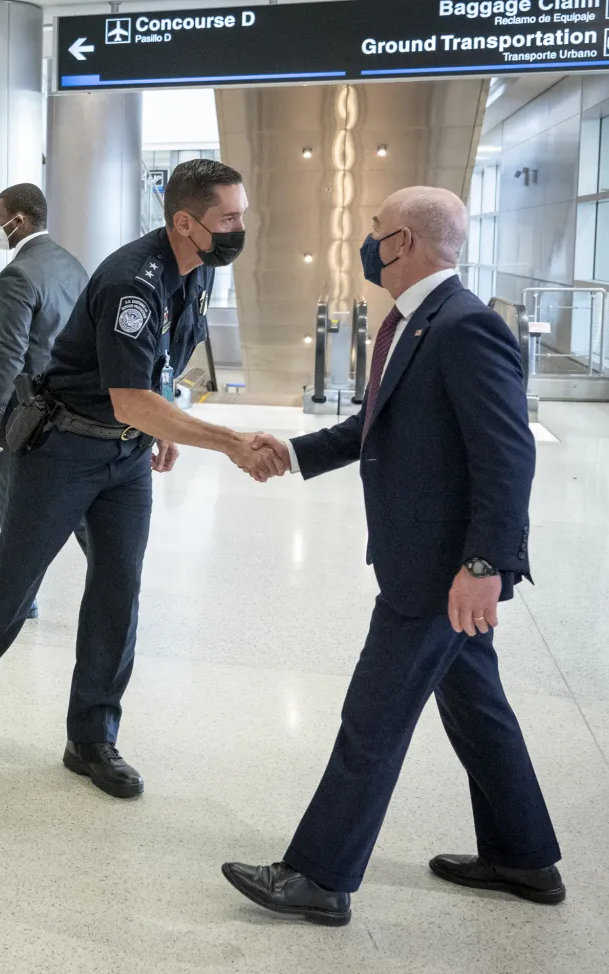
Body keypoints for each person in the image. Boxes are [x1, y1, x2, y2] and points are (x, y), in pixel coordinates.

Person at [222, 187, 563, 925]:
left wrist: (485, 565)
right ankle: (523, 856)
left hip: (440, 572)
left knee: (371, 718)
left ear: (404, 242)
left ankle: (319, 875)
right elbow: (377, 425)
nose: (369, 244)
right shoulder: (416, 325)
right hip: (427, 562)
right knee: (478, 708)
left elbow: (508, 456)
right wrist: (296, 453)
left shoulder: (465, 327)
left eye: (376, 232)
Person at [0, 160, 285, 798]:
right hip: (64, 450)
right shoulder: (131, 283)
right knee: (13, 579)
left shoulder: (199, 273)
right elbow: (128, 396)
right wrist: (226, 441)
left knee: (118, 588)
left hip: (126, 458)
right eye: (228, 217)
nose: (239, 227)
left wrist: (164, 425)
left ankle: (91, 738)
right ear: (185, 222)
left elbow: (157, 369)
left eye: (241, 214)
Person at [0, 182, 89, 620]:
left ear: (18, 220)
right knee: (78, 505)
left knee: (15, 501)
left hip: (24, 410)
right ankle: (110, 581)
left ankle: (17, 597)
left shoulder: (17, 274)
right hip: (70, 405)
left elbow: (8, 351)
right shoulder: (72, 265)